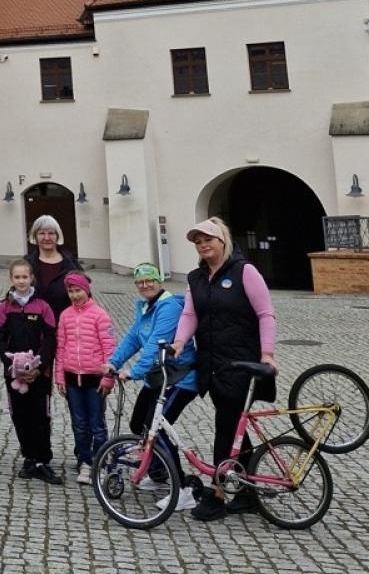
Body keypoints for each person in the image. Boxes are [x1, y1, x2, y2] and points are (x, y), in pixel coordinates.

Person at [170, 217, 277, 522]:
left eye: (209, 240)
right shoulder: (197, 278)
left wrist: (267, 353)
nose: (203, 245)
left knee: (224, 428)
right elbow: (190, 313)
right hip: (212, 364)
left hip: (242, 363)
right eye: (198, 241)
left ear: (223, 241)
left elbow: (266, 314)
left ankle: (217, 494)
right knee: (236, 431)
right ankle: (247, 492)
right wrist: (179, 343)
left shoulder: (245, 272)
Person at [104, 262, 200, 510]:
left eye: (150, 280)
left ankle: (183, 489)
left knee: (157, 430)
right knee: (140, 425)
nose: (145, 285)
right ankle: (159, 474)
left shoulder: (168, 307)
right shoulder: (146, 307)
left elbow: (155, 345)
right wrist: (113, 362)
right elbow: (134, 337)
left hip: (180, 379)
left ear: (160, 281)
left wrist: (134, 372)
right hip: (158, 378)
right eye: (140, 282)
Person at [0, 258, 61, 484]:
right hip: (14, 374)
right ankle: (29, 457)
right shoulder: (4, 306)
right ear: (11, 279)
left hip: (39, 373)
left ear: (32, 278)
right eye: (17, 277)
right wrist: (9, 363)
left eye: (25, 277)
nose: (21, 281)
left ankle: (43, 459)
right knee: (20, 415)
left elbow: (51, 337)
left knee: (41, 415)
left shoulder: (43, 306)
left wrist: (39, 364)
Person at [52, 270, 113, 485]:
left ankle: (101, 460)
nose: (75, 295)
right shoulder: (65, 315)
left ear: (86, 290)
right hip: (72, 378)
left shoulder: (100, 315)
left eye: (78, 290)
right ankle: (85, 460)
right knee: (79, 423)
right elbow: (61, 347)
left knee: (97, 423)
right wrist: (59, 376)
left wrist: (108, 378)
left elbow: (109, 348)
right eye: (71, 291)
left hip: (94, 378)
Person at [27, 214, 83, 319]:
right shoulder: (26, 264)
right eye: (42, 233)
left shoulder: (72, 265)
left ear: (57, 236)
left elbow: (84, 297)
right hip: (35, 328)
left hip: (66, 324)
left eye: (51, 233)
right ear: (35, 236)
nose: (47, 237)